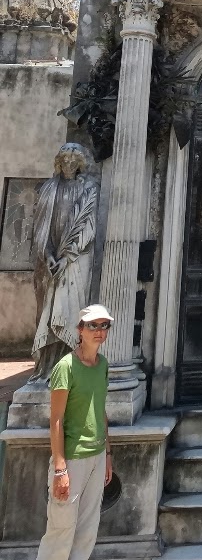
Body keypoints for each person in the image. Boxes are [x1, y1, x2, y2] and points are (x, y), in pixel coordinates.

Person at [35, 305, 114, 560]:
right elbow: (56, 419)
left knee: (83, 539)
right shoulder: (65, 367)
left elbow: (100, 410)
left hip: (96, 457)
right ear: (80, 329)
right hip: (71, 460)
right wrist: (60, 469)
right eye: (93, 325)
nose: (99, 331)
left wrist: (108, 454)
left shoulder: (103, 365)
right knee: (59, 535)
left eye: (104, 325)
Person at [30, 145, 99, 382]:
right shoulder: (50, 188)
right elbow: (41, 227)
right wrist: (47, 254)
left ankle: (71, 365)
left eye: (73, 160)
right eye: (65, 159)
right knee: (48, 312)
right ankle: (47, 367)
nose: (69, 164)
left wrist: (67, 256)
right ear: (59, 162)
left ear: (80, 163)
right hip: (49, 260)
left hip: (76, 259)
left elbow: (88, 225)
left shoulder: (88, 188)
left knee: (71, 309)